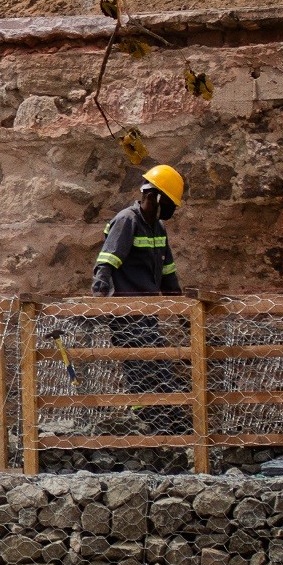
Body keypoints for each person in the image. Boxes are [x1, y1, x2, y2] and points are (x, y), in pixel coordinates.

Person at [92, 164, 187, 432]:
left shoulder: (156, 228)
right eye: (167, 204)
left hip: (148, 310)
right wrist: (99, 299)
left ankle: (159, 418)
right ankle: (147, 420)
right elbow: (106, 263)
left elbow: (168, 272)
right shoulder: (127, 221)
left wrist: (183, 313)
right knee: (145, 366)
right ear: (155, 198)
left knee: (155, 365)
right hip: (127, 311)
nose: (168, 212)